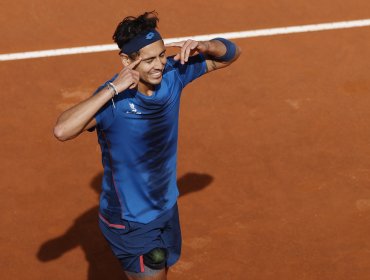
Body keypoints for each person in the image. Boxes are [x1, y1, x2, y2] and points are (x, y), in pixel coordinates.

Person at [54, 11, 241, 280]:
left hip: (166, 207)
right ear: (127, 60)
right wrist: (111, 89)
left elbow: (231, 54)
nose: (159, 65)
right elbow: (62, 130)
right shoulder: (112, 102)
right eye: (149, 59)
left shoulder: (172, 76)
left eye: (162, 55)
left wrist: (206, 46)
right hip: (131, 222)